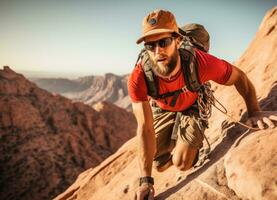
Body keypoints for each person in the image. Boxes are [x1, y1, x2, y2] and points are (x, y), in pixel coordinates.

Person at [128, 9, 277, 200]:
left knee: (181, 163)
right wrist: (145, 181)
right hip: (163, 106)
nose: (157, 51)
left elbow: (240, 78)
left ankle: (190, 138)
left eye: (163, 42)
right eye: (150, 45)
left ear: (178, 40)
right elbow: (144, 128)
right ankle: (177, 133)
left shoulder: (201, 63)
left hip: (193, 104)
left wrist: (254, 111)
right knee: (157, 164)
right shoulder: (139, 77)